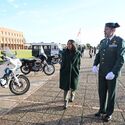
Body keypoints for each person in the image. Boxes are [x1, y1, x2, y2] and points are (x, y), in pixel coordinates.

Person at [92, 22, 125, 122]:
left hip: (111, 74)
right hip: (102, 72)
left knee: (111, 94)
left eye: (106, 29)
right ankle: (102, 109)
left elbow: (121, 59)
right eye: (104, 29)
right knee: (101, 92)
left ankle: (109, 113)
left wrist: (114, 72)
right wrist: (94, 64)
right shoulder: (103, 41)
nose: (104, 31)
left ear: (113, 30)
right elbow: (98, 55)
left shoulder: (119, 41)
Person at [59, 39, 81, 109]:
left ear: (73, 45)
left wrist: (77, 69)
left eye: (70, 44)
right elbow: (62, 62)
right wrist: (62, 69)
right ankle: (65, 101)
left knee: (73, 86)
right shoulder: (64, 52)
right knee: (66, 87)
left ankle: (72, 95)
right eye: (67, 44)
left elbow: (79, 63)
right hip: (66, 72)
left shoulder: (77, 53)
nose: (68, 45)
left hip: (74, 72)